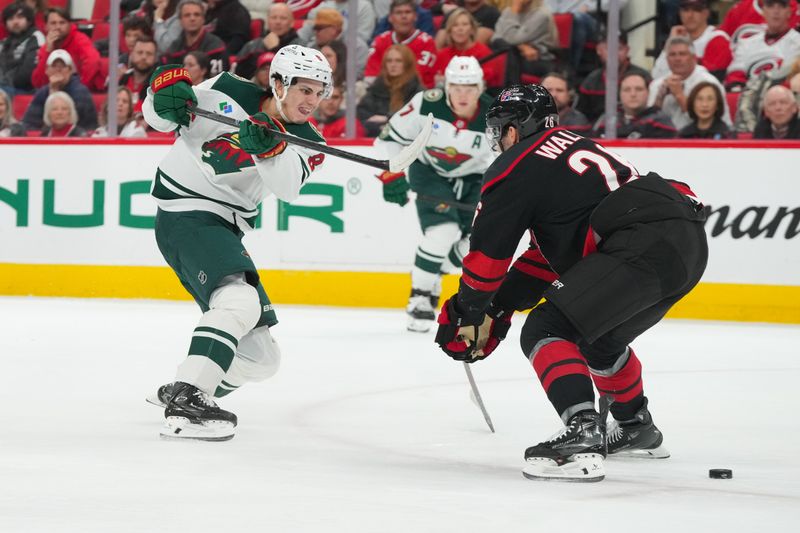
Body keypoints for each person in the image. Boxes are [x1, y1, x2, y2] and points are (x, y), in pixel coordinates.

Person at [434, 84, 708, 482]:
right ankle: (635, 427)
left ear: (514, 129)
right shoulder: (570, 146)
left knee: (548, 328)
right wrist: (499, 307)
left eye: (499, 131)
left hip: (638, 243)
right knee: (601, 340)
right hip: (685, 244)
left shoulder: (515, 167)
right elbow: (546, 259)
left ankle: (583, 432)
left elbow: (488, 261)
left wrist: (467, 309)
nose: (497, 143)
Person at [142, 44, 332, 441]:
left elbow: (287, 187)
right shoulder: (226, 87)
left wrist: (269, 150)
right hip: (186, 212)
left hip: (223, 226)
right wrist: (159, 102)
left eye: (318, 92)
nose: (311, 101)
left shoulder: (310, 140)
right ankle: (190, 393)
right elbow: (164, 118)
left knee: (262, 357)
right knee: (239, 301)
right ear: (277, 83)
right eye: (303, 89)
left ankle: (192, 387)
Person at [374, 56, 495, 332]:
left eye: (470, 87)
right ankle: (419, 296)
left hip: (475, 179)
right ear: (446, 85)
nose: (463, 95)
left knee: (476, 243)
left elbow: (510, 157)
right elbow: (387, 139)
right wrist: (391, 174)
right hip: (429, 172)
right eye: (457, 87)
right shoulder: (426, 104)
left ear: (481, 87)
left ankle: (434, 273)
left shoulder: (493, 114)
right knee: (442, 232)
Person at [648, 35, 730, 130]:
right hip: (664, 139)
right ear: (667, 59)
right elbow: (648, 122)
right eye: (672, 55)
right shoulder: (657, 84)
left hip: (700, 138)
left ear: (694, 58)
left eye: (682, 54)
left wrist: (679, 95)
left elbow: (711, 123)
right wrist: (660, 98)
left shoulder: (709, 83)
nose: (677, 59)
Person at [724, 0, 800, 91]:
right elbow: (735, 73)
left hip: (780, 94)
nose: (776, 11)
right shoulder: (747, 43)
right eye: (770, 6)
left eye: (782, 6)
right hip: (747, 94)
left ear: (789, 12)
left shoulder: (797, 41)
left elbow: (785, 73)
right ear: (763, 11)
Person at [576, 31, 650, 123]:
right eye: (609, 48)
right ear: (599, 50)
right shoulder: (590, 82)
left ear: (627, 50)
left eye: (619, 48)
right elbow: (580, 117)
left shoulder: (643, 77)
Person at [651, 0, 732, 81]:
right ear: (680, 13)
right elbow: (656, 75)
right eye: (686, 10)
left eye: (696, 10)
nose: (690, 15)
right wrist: (670, 42)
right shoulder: (677, 38)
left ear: (706, 13)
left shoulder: (718, 38)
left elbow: (710, 78)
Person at [365, 0, 438, 89]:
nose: (404, 16)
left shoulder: (426, 42)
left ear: (415, 17)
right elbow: (371, 76)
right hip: (383, 93)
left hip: (418, 94)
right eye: (398, 13)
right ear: (390, 18)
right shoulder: (380, 40)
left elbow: (416, 77)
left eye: (408, 12)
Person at [357, 44, 424, 137]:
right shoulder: (376, 87)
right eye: (389, 61)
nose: (393, 65)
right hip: (374, 138)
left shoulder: (418, 91)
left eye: (398, 61)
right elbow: (362, 113)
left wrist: (387, 119)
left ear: (407, 64)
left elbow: (417, 119)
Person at [22, 49, 98, 132]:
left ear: (70, 70)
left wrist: (54, 91)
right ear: (47, 70)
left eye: (63, 66)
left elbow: (67, 123)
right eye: (54, 66)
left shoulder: (81, 92)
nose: (58, 69)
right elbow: (29, 123)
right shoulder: (42, 92)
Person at [30, 7, 103, 91]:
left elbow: (93, 62)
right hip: (54, 92)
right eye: (53, 23)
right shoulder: (45, 48)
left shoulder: (80, 40)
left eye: (62, 23)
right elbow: (38, 83)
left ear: (70, 24)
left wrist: (81, 87)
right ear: (45, 27)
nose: (58, 27)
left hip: (81, 90)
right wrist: (48, 51)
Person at [593, 71, 677, 139]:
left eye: (639, 89)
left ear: (648, 93)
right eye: (627, 90)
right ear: (620, 94)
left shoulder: (661, 122)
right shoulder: (607, 120)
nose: (633, 94)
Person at [491, 0, 558, 84]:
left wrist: (514, 12)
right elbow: (495, 38)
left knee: (508, 55)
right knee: (503, 49)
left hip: (537, 60)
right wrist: (521, 46)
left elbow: (514, 39)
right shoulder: (508, 12)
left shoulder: (541, 15)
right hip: (514, 55)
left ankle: (512, 90)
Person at [434, 8, 502, 89]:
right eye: (455, 25)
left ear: (472, 29)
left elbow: (486, 81)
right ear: (449, 30)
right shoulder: (442, 55)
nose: (460, 29)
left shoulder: (484, 52)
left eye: (465, 24)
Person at [161, 0, 228, 78]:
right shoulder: (173, 50)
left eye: (197, 14)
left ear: (203, 19)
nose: (192, 18)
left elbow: (217, 81)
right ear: (180, 20)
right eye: (187, 15)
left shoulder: (216, 47)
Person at [234, 2, 301, 80]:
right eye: (274, 17)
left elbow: (296, 76)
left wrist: (275, 49)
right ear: (267, 21)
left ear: (292, 23)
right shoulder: (252, 46)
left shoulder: (301, 47)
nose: (278, 22)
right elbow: (237, 74)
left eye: (283, 18)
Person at [0, 2, 44, 94]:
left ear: (29, 20)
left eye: (19, 18)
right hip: (5, 89)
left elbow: (27, 74)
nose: (15, 22)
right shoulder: (4, 42)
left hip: (27, 91)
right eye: (11, 19)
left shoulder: (36, 37)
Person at [120, 36, 159, 113]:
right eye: (140, 52)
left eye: (149, 54)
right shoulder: (122, 79)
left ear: (155, 58)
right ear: (131, 55)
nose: (144, 57)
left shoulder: (159, 85)